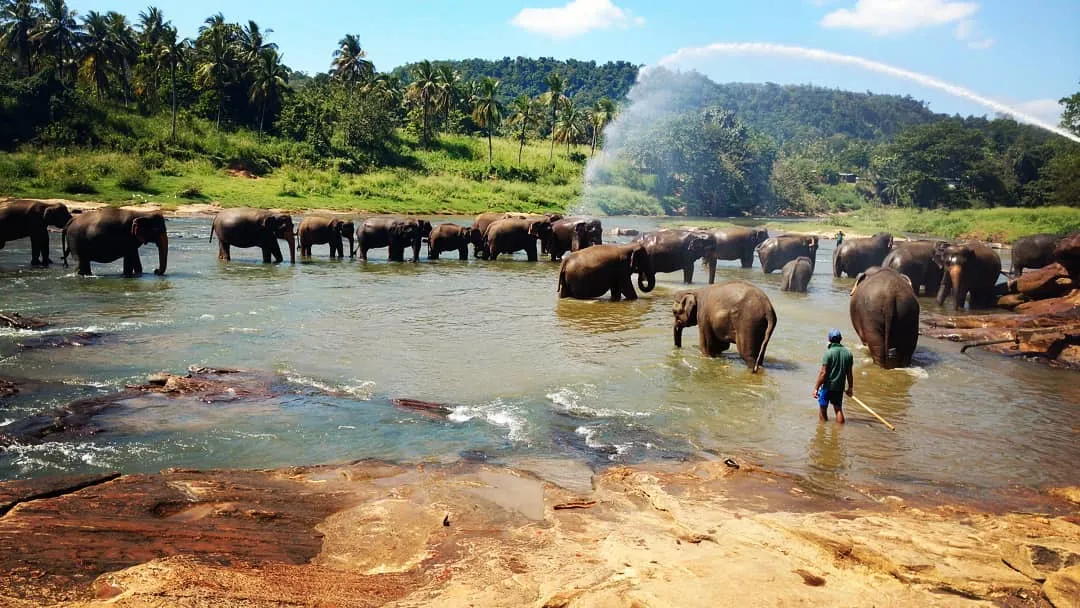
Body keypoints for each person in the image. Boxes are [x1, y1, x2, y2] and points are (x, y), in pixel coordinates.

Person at [813, 329, 853, 423]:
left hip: (827, 386)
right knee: (838, 408)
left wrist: (816, 388)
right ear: (841, 339)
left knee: (823, 408)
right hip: (839, 387)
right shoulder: (848, 353)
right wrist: (850, 387)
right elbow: (849, 373)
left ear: (829, 339)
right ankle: (839, 431)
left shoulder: (828, 353)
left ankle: (822, 431)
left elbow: (823, 373)